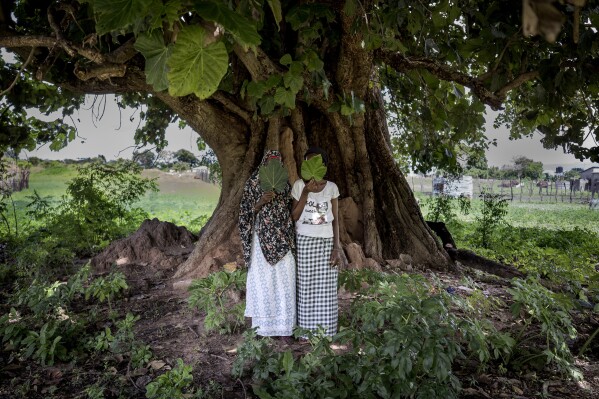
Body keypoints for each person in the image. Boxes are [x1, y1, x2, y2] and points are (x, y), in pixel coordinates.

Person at [239, 150, 296, 337]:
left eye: (277, 162)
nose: (273, 166)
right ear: (264, 163)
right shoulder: (253, 183)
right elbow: (245, 213)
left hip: (282, 240)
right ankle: (262, 329)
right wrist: (260, 201)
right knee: (263, 281)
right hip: (261, 241)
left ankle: (285, 329)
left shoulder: (285, 185)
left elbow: (290, 211)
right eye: (270, 162)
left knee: (284, 279)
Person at [291, 147, 344, 337]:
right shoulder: (298, 185)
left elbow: (336, 219)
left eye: (316, 162)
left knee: (326, 288)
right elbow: (294, 216)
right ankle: (306, 332)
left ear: (323, 165)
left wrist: (336, 248)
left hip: (326, 242)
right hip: (304, 240)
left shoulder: (332, 188)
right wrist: (306, 192)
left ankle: (326, 331)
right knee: (306, 285)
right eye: (308, 162)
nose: (311, 165)